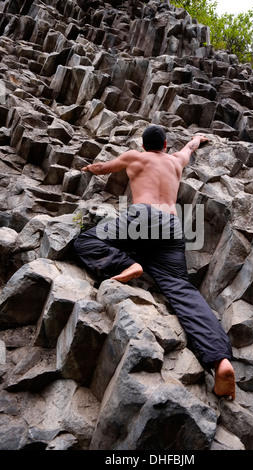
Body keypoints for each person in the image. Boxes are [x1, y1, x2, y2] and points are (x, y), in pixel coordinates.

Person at [74, 125, 235, 399]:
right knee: (181, 289)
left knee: (86, 241)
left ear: (144, 145)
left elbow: (103, 168)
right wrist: (196, 138)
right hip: (172, 226)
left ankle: (125, 265)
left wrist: (88, 169)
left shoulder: (135, 157)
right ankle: (221, 361)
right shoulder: (175, 161)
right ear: (165, 143)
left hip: (141, 217)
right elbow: (189, 149)